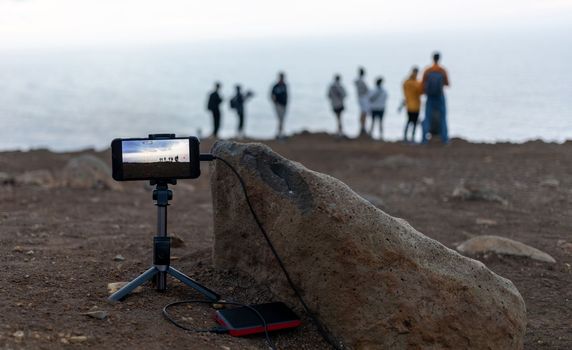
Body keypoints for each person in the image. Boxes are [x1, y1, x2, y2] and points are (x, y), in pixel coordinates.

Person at [421, 52, 450, 144]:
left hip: (430, 97)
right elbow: (447, 84)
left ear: (432, 58)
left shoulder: (427, 70)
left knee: (427, 118)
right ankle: (444, 139)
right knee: (443, 118)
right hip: (440, 96)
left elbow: (423, 84)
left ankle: (424, 139)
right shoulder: (442, 70)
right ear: (439, 59)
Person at [401, 67, 423, 143]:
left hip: (410, 105)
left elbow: (404, 91)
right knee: (413, 122)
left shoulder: (406, 82)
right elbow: (421, 91)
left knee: (409, 121)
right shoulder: (416, 83)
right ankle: (411, 138)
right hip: (415, 106)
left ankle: (405, 137)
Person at [270, 72, 288, 139]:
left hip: (284, 105)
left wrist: (286, 103)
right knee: (280, 119)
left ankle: (280, 133)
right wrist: (275, 103)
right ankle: (280, 134)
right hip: (278, 105)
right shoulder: (276, 86)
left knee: (282, 120)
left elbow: (287, 95)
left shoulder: (284, 85)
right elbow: (271, 95)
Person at [354, 67, 369, 136]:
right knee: (364, 113)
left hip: (360, 98)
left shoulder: (358, 80)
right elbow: (366, 90)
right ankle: (363, 127)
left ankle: (362, 127)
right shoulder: (361, 81)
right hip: (363, 98)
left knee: (363, 113)